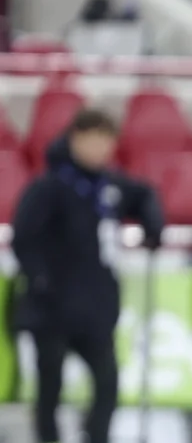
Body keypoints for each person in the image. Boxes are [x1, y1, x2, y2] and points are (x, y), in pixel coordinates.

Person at [11, 108, 164, 443]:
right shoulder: (50, 186)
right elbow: (23, 236)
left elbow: (145, 195)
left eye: (105, 141)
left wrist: (153, 226)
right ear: (75, 139)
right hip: (51, 308)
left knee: (107, 382)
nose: (99, 149)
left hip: (95, 307)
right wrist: (40, 279)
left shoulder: (109, 186)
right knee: (50, 386)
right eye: (92, 140)